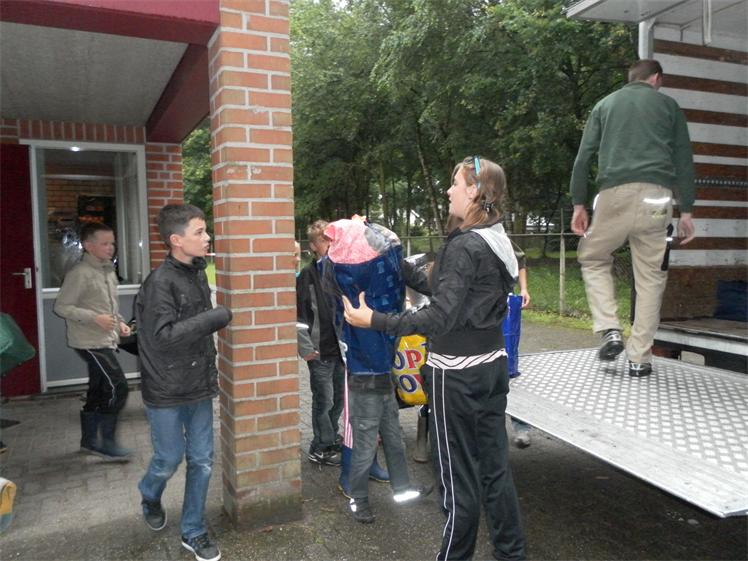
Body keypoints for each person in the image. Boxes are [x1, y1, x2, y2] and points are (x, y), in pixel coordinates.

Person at [343, 156, 526, 560]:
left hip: (456, 377)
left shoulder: (464, 245)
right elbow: (445, 290)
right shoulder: (494, 238)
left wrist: (375, 320)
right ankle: (512, 554)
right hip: (491, 369)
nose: (448, 190)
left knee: (456, 481)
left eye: (454, 183)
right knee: (495, 472)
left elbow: (439, 316)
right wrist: (388, 250)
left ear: (474, 190)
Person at [570, 59, 696, 378]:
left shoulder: (605, 105)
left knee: (593, 257)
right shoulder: (669, 106)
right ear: (656, 78)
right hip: (657, 199)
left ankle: (610, 329)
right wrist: (687, 211)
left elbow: (583, 158)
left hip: (615, 196)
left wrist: (578, 204)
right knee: (651, 277)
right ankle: (640, 358)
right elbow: (684, 159)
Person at [136, 204, 232, 561]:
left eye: (205, 231)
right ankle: (149, 492)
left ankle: (193, 530)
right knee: (168, 458)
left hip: (197, 384)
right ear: (176, 240)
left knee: (202, 460)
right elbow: (162, 337)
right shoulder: (160, 283)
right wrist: (215, 317)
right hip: (165, 388)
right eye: (199, 232)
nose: (207, 237)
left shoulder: (196, 272)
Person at [54, 222, 132, 461]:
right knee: (118, 387)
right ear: (88, 246)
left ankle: (89, 442)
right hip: (88, 341)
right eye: (104, 243)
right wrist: (94, 318)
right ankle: (106, 442)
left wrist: (119, 323)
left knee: (98, 390)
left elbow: (108, 307)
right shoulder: (80, 273)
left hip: (105, 339)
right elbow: (61, 307)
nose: (110, 248)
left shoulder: (107, 270)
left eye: (112, 243)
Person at [296, 221, 345, 466]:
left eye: (332, 240)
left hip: (341, 351)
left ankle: (331, 436)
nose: (329, 244)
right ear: (314, 246)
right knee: (323, 400)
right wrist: (305, 348)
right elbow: (298, 314)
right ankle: (319, 447)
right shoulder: (307, 275)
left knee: (338, 399)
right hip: (319, 351)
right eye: (324, 240)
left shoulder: (341, 271)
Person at [507, 243, 532, 448]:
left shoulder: (497, 235)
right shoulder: (459, 240)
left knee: (509, 370)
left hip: (503, 310)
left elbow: (520, 260)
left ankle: (521, 426)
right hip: (472, 313)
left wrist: (523, 289)